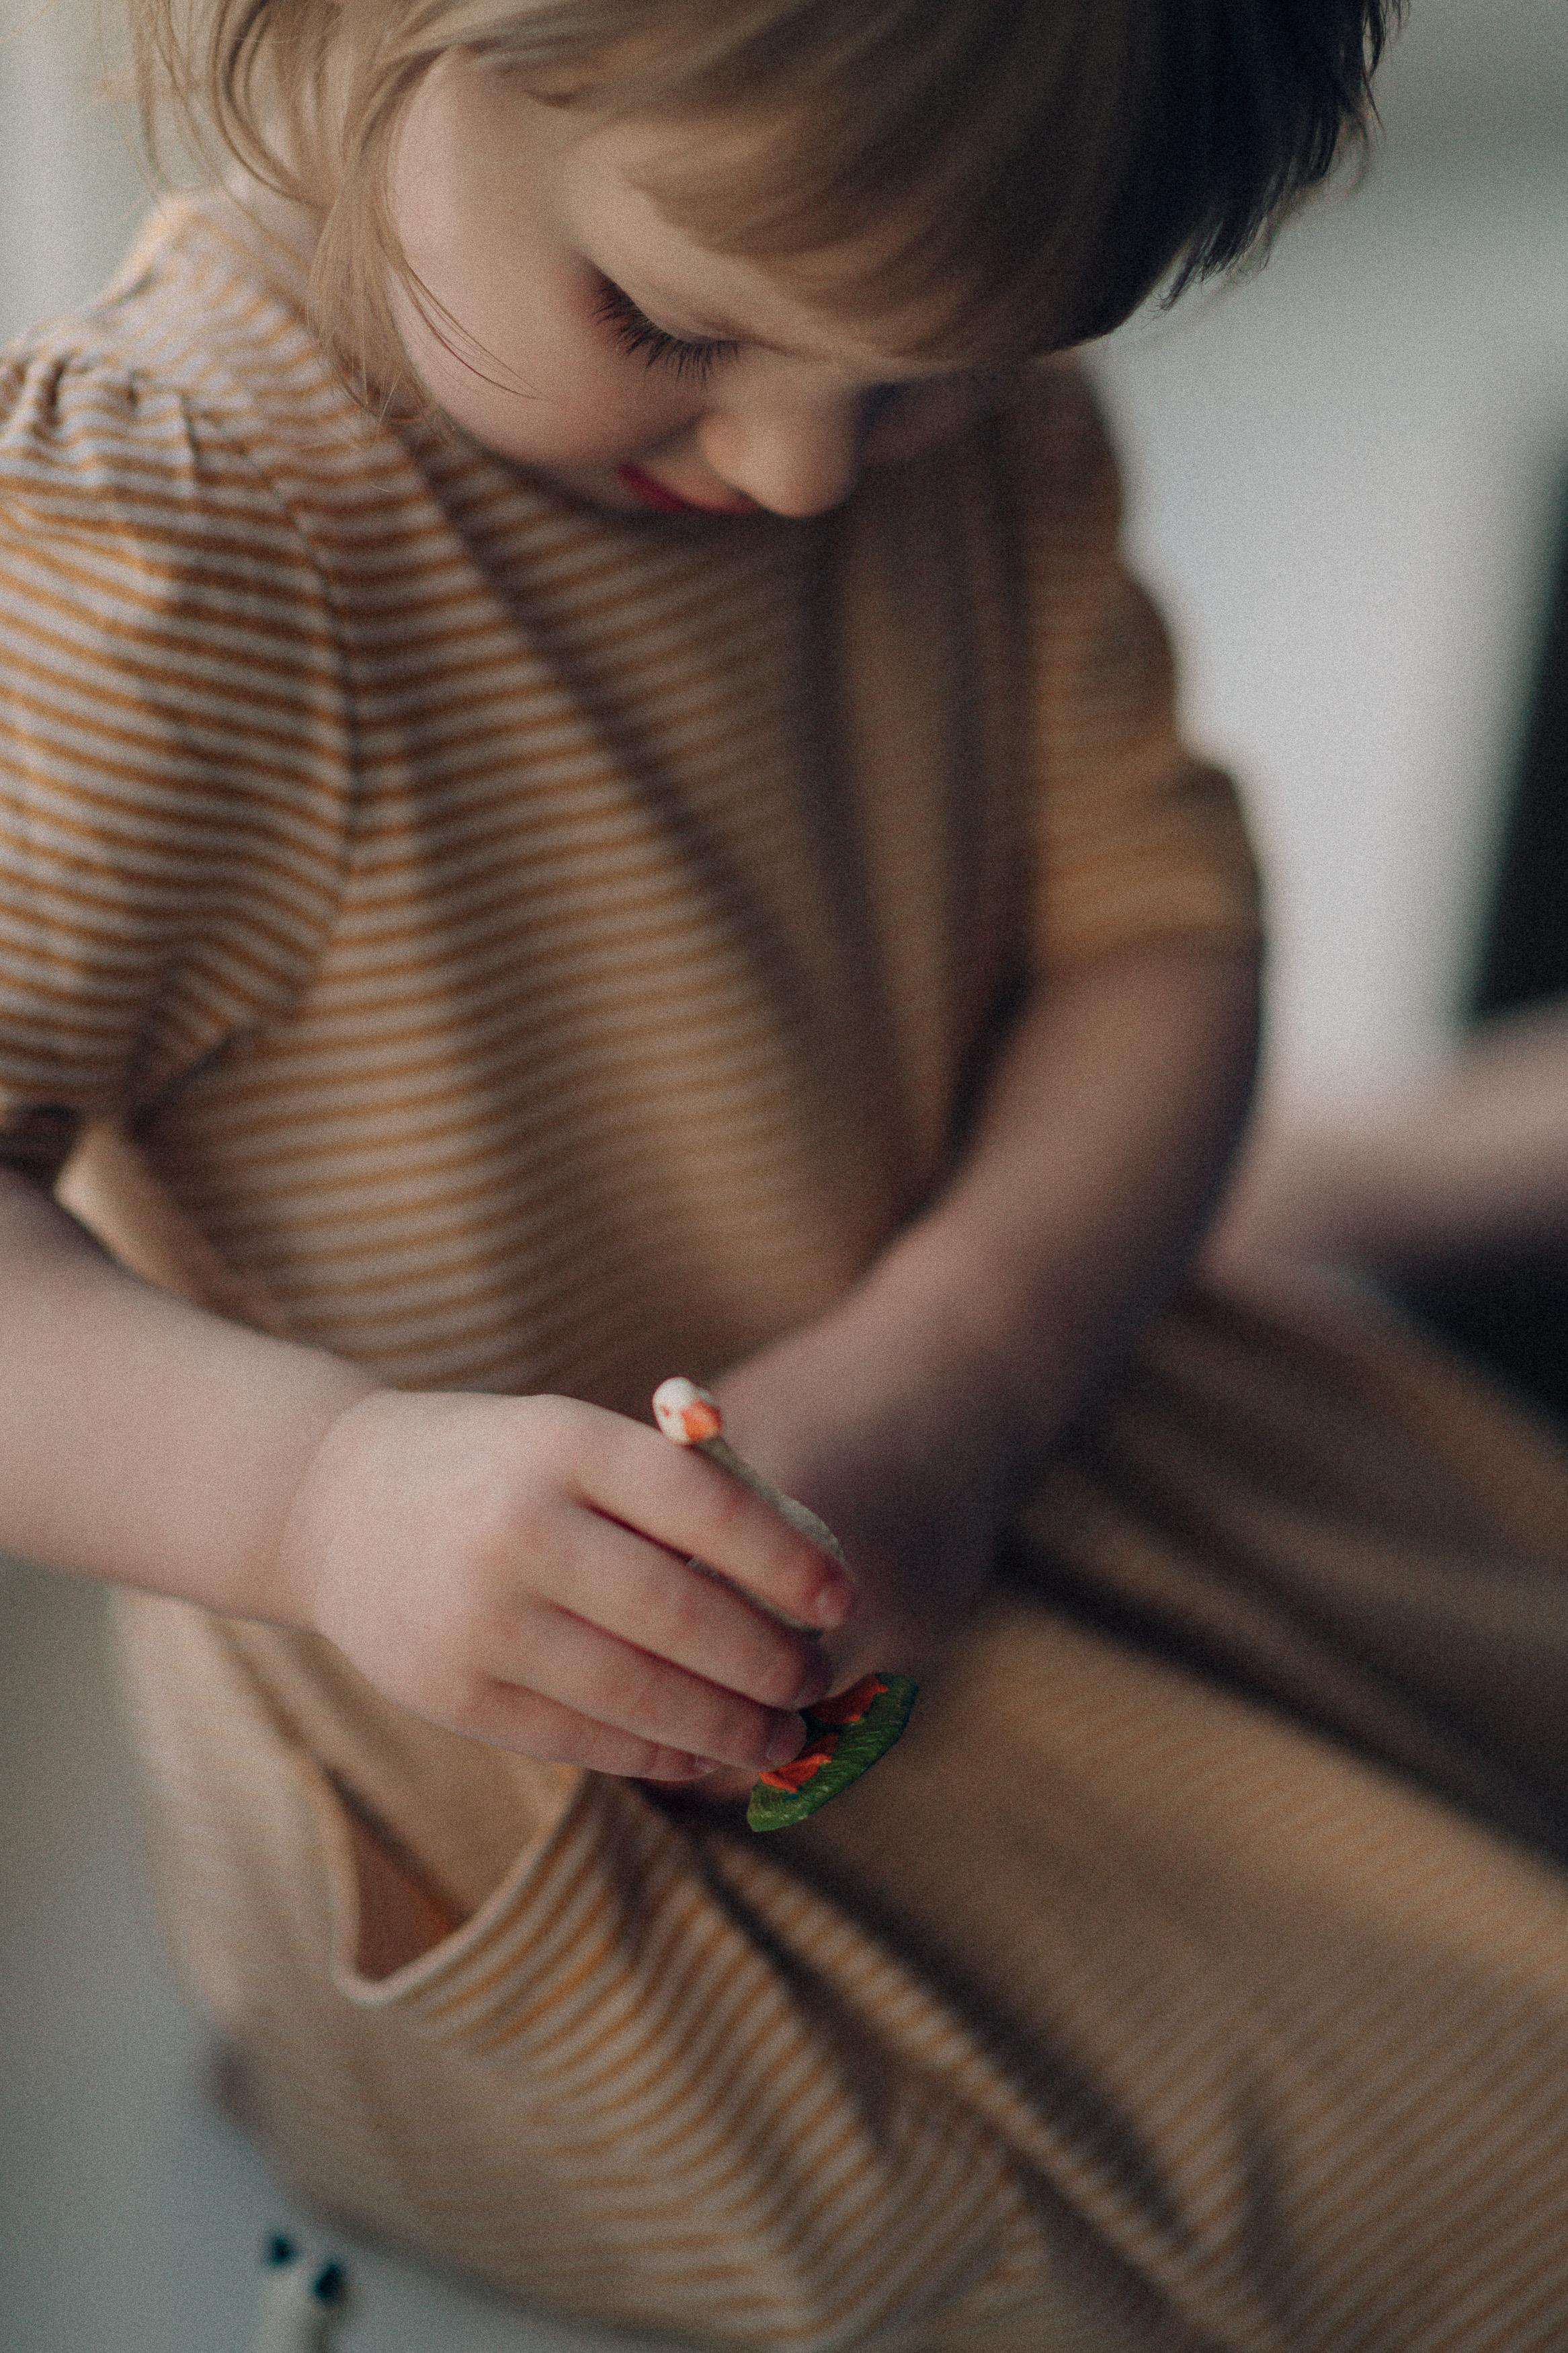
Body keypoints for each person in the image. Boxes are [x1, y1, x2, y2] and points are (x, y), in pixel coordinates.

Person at [3, 3, 1568, 2348]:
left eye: (923, 379)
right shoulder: (182, 534)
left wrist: (956, 1359)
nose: (812, 467)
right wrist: (322, 1495)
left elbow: (1157, 943)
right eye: (671, 322)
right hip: (602, 1803)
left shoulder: (935, 344)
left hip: (1045, 1428)